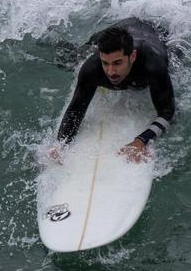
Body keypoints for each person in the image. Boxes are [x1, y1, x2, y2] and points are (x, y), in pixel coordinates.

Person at [53, 18, 175, 163]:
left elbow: (168, 113)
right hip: (120, 29)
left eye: (117, 63)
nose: (110, 72)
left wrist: (141, 140)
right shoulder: (92, 69)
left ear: (133, 56)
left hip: (155, 32)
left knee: (174, 64)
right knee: (71, 59)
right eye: (105, 63)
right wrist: (60, 145)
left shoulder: (152, 66)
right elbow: (75, 110)